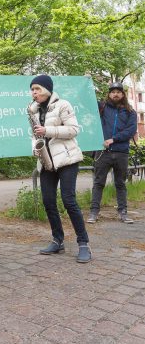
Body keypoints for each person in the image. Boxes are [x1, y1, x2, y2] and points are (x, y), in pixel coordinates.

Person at [28, 74, 91, 263]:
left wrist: (48, 131)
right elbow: (34, 135)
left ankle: (84, 244)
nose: (33, 93)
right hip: (47, 161)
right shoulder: (33, 110)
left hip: (67, 159)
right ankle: (58, 240)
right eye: (32, 90)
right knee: (48, 201)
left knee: (68, 200)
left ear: (46, 90)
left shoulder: (63, 105)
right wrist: (35, 148)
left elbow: (74, 130)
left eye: (37, 89)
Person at [88, 82, 137, 224]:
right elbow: (87, 99)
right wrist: (88, 82)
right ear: (109, 94)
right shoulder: (102, 107)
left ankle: (123, 212)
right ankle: (93, 212)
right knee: (98, 183)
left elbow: (131, 130)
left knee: (120, 183)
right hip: (103, 152)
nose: (115, 94)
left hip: (122, 152)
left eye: (118, 92)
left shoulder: (130, 112)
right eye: (113, 91)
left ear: (123, 94)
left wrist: (113, 139)